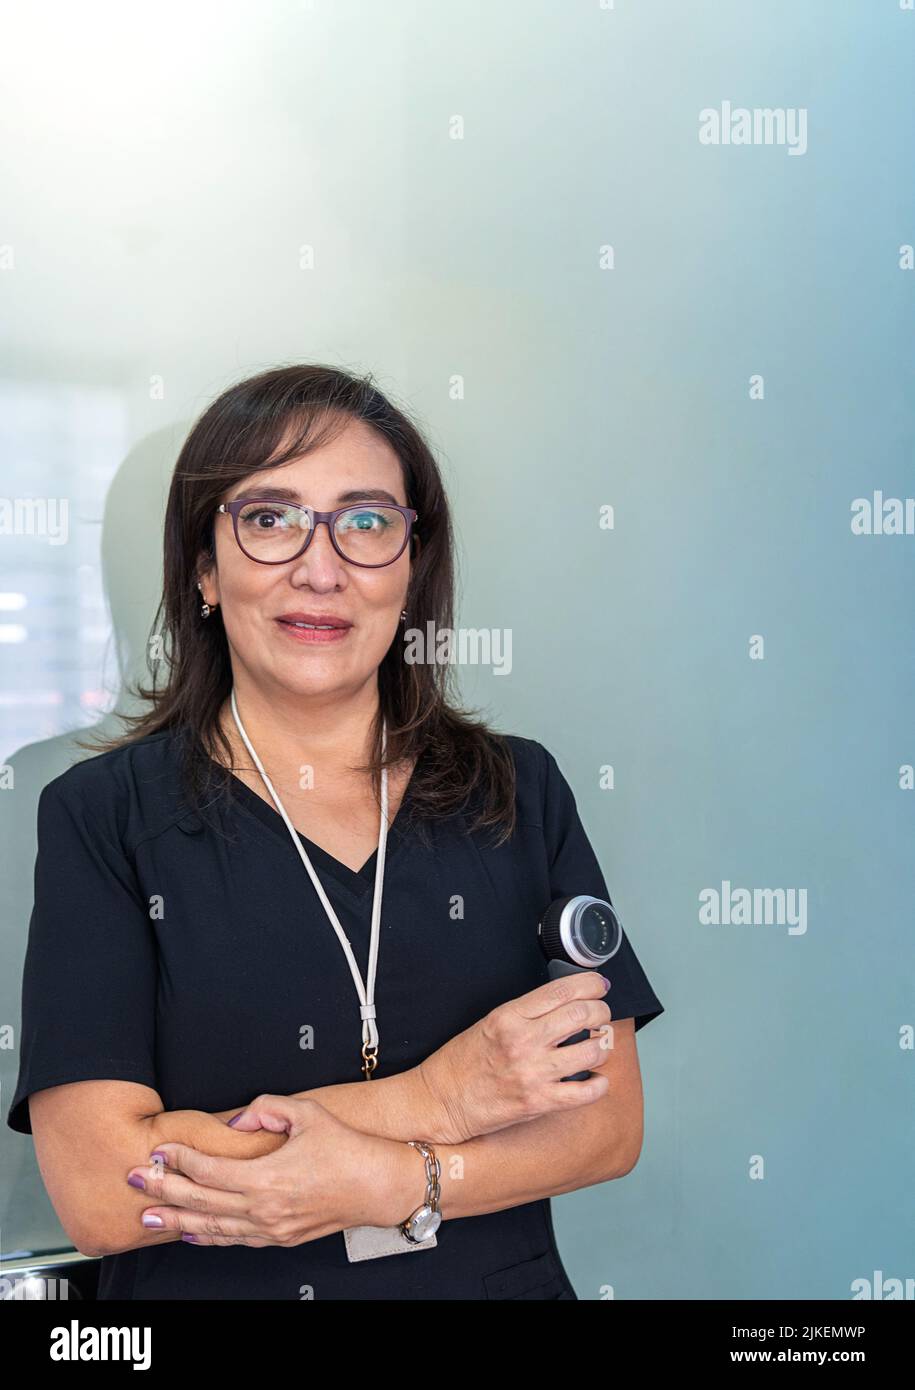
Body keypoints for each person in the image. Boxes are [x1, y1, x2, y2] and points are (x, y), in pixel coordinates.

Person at [6, 363, 664, 1300]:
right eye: (269, 519)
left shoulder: (519, 791)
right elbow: (105, 1191)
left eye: (364, 522)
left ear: (409, 567)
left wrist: (398, 1179)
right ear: (204, 566)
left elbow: (605, 1125)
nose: (320, 569)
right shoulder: (102, 815)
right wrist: (436, 1101)